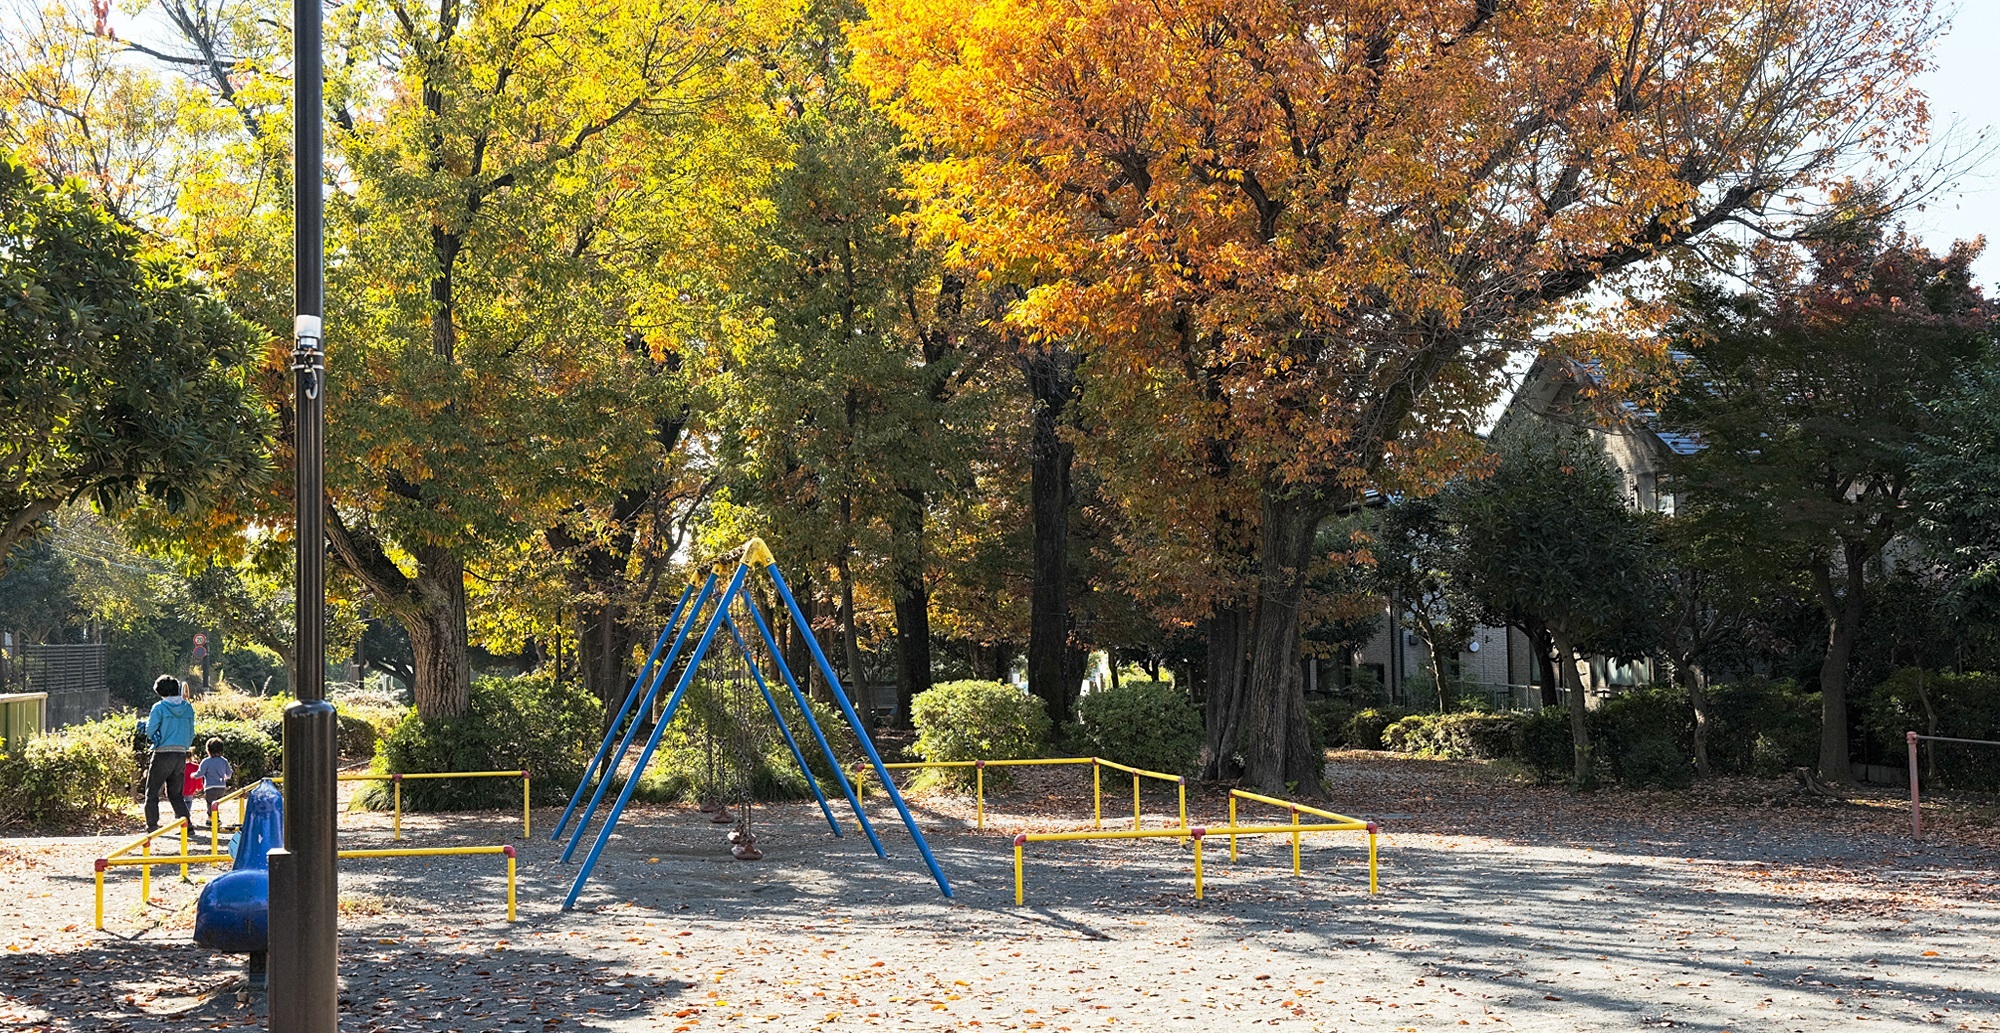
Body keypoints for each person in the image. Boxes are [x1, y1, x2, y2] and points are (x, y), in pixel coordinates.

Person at [143, 675, 196, 830]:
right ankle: (187, 825)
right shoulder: (187, 708)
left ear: (160, 691)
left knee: (152, 792)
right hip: (180, 754)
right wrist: (184, 746)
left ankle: (152, 825)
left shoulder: (159, 707)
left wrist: (153, 735)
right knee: (176, 794)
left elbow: (150, 730)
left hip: (162, 753)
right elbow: (191, 733)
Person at [195, 738, 233, 827]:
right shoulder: (224, 761)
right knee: (216, 803)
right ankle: (210, 819)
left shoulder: (206, 761)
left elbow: (201, 773)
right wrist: (227, 777)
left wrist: (193, 775)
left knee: (210, 803)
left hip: (210, 787)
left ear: (208, 750)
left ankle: (216, 819)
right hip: (221, 787)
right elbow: (229, 772)